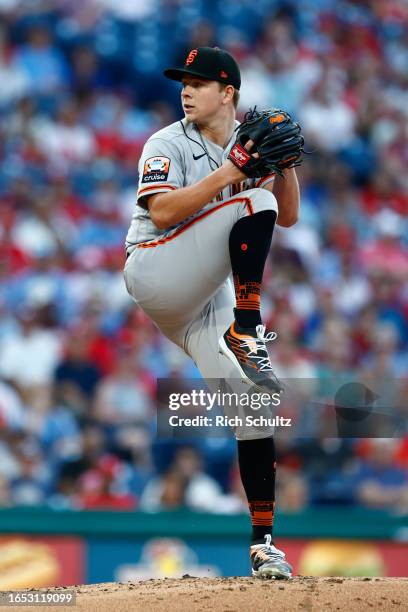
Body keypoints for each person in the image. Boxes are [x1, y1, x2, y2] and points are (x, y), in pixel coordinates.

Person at [124, 47, 300, 579]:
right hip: (156, 269)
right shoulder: (167, 141)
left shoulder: (248, 142)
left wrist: (285, 165)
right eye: (184, 81)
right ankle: (248, 328)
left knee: (253, 406)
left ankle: (264, 543)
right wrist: (232, 172)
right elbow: (162, 210)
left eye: (198, 82)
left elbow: (288, 215)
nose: (186, 89)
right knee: (254, 202)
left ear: (228, 93)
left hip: (203, 299)